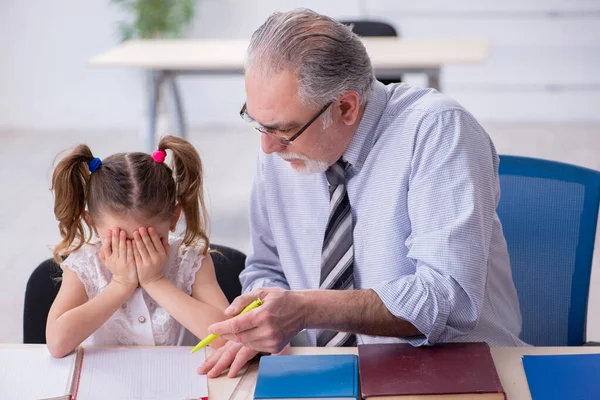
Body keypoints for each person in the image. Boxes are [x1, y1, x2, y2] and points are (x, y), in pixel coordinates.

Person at [198, 8, 526, 378]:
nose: (267, 148)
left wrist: (307, 308)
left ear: (346, 107)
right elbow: (267, 267)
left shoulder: (437, 130)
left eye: (283, 130)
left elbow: (447, 300)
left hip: (455, 367)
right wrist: (261, 321)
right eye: (257, 123)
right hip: (322, 371)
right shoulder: (281, 145)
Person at [46, 135, 229, 358]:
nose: (135, 253)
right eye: (121, 241)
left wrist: (156, 281)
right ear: (92, 224)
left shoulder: (191, 261)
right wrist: (121, 284)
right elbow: (57, 344)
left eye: (149, 240)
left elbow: (228, 337)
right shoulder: (85, 266)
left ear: (173, 218)